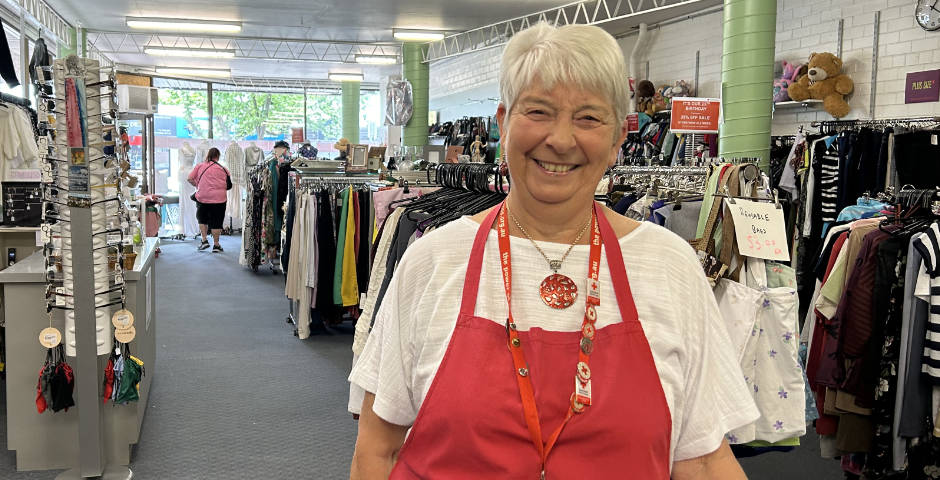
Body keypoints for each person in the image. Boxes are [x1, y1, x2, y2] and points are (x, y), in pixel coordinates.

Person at [349, 23, 759, 479]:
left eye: (588, 118)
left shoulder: (669, 267)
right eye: (539, 111)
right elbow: (378, 449)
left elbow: (702, 460)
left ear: (617, 138)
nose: (561, 140)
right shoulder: (434, 260)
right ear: (504, 123)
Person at [187, 147, 231, 252]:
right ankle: (216, 245)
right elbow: (229, 185)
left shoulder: (200, 166)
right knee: (217, 221)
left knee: (202, 219)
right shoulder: (224, 169)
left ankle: (204, 240)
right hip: (219, 199)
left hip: (203, 198)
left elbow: (189, 178)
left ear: (208, 155)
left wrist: (197, 185)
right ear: (218, 156)